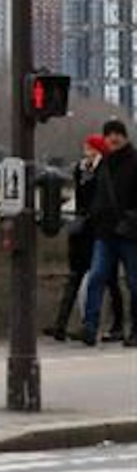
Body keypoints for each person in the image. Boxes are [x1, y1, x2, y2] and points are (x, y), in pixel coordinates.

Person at [47, 137, 117, 341]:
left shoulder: (103, 169)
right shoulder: (81, 169)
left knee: (102, 279)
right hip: (83, 230)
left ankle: (97, 324)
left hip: (97, 230)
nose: (86, 151)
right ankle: (64, 324)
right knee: (78, 277)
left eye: (89, 147)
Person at [77, 119, 137, 346]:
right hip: (106, 233)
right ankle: (90, 327)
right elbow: (98, 197)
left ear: (124, 137)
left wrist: (129, 220)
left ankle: (133, 330)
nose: (113, 138)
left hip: (130, 234)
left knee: (134, 283)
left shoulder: (133, 162)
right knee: (97, 277)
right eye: (109, 134)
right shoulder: (104, 164)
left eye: (117, 134)